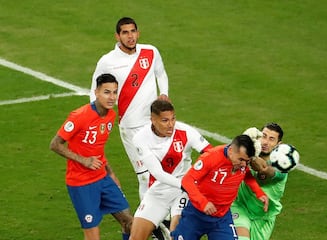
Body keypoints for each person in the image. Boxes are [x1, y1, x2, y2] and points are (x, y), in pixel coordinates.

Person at [89, 17, 170, 201]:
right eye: (125, 32)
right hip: (130, 126)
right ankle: (149, 219)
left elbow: (161, 73)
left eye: (133, 31)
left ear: (138, 33)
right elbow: (94, 89)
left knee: (161, 170)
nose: (130, 36)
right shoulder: (108, 61)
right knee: (144, 175)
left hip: (154, 123)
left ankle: (160, 216)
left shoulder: (150, 52)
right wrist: (96, 115)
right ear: (117, 36)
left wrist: (163, 93)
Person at [50, 73, 133, 240]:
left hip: (102, 178)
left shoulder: (110, 116)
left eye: (115, 92)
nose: (112, 97)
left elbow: (98, 148)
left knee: (129, 222)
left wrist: (110, 173)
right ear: (96, 92)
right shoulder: (79, 116)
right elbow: (55, 144)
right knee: (93, 236)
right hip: (81, 184)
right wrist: (84, 160)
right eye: (107, 92)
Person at [129, 100, 212, 240]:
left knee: (177, 234)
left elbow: (211, 153)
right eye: (165, 120)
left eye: (173, 118)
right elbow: (157, 173)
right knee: (136, 237)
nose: (171, 124)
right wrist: (185, 185)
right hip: (161, 189)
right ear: (153, 120)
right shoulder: (140, 138)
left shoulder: (186, 132)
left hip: (184, 190)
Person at [171, 135, 269, 240]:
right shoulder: (211, 157)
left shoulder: (241, 163)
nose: (244, 164)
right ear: (231, 150)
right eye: (241, 159)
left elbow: (246, 174)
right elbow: (187, 180)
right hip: (196, 215)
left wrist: (259, 192)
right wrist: (203, 202)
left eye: (247, 161)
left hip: (221, 218)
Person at [231, 123, 287, 240]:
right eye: (264, 136)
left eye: (271, 139)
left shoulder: (281, 166)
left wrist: (253, 157)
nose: (265, 142)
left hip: (264, 217)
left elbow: (266, 171)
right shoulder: (244, 157)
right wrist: (241, 144)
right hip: (240, 207)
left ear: (278, 144)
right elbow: (225, 156)